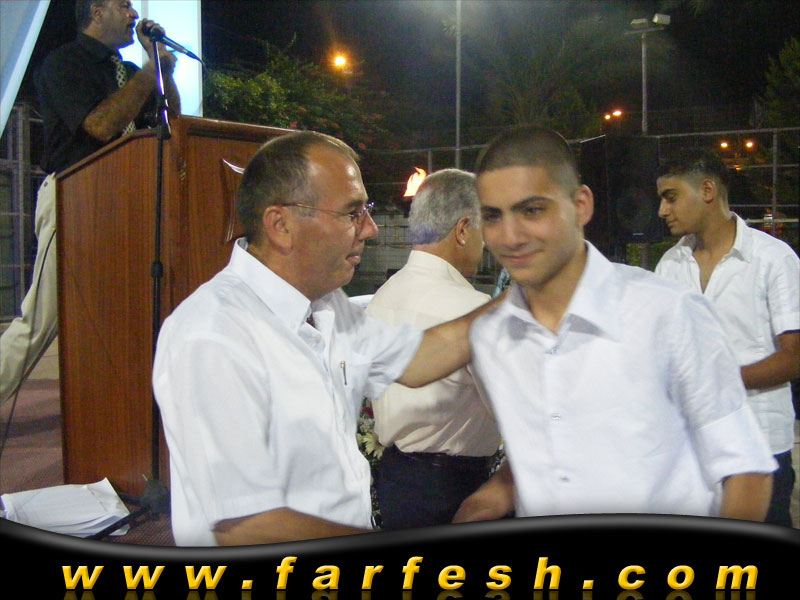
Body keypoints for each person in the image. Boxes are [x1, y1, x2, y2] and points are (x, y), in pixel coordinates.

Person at [152, 131, 496, 546]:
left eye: (366, 211)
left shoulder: (327, 305)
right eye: (352, 213)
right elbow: (247, 528)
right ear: (281, 226)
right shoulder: (214, 335)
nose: (370, 229)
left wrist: (522, 302)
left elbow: (418, 357)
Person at [452, 126, 777, 524]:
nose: (510, 236)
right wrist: (488, 500)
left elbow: (746, 467)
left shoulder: (667, 311)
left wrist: (711, 379)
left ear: (581, 206)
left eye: (532, 210)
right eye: (492, 216)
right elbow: (546, 453)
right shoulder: (495, 337)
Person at [0, 0, 181, 406]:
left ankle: (121, 411)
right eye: (124, 6)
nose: (134, 15)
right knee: (42, 319)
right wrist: (148, 73)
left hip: (125, 201)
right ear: (97, 13)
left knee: (127, 311)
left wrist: (162, 72)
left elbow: (171, 125)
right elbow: (100, 125)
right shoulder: (64, 64)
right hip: (74, 197)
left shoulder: (129, 72)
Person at [654, 148, 800, 526]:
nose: (662, 210)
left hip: (760, 447)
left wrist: (719, 380)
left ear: (707, 190)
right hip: (691, 450)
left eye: (671, 197)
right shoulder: (669, 265)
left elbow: (794, 356)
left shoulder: (774, 259)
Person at [366, 169, 501, 529]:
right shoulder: (472, 310)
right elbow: (511, 409)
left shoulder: (382, 297)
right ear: (463, 230)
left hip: (396, 478)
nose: (486, 243)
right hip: (454, 488)